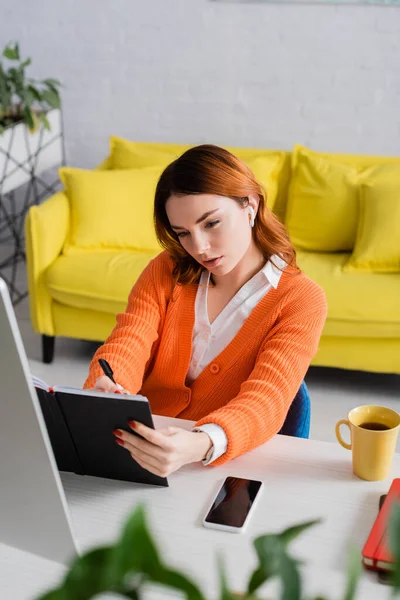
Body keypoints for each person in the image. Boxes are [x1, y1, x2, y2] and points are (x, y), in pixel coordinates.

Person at [84, 144, 327, 477]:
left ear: (250, 207)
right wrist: (103, 389)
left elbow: (266, 400)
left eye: (211, 223)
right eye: (183, 233)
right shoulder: (164, 270)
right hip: (141, 448)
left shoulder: (301, 300)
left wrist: (199, 443)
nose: (198, 247)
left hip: (216, 466)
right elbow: (128, 341)